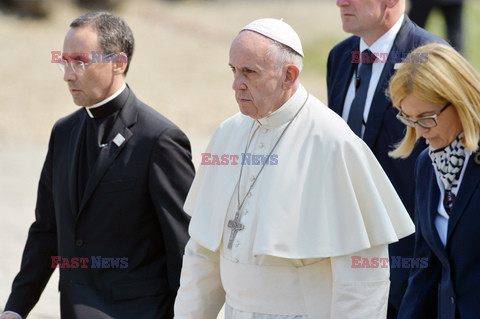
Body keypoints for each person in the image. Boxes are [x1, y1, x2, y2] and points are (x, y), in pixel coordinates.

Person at [173, 18, 415, 319]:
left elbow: (362, 279)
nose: (236, 84)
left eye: (249, 72)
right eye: (233, 71)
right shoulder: (226, 135)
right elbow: (202, 254)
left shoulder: (332, 143)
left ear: (289, 75)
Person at [1, 12, 195, 319]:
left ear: (118, 62)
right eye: (64, 61)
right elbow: (47, 231)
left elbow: (185, 248)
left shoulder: (159, 139)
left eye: (79, 61)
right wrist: (15, 308)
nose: (67, 74)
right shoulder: (62, 133)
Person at [327, 1, 446, 317]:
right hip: (345, 262)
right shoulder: (340, 57)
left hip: (409, 275)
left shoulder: (431, 57)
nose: (340, 2)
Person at [388, 42, 480, 319]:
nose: (418, 131)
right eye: (409, 118)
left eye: (427, 118)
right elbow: (425, 269)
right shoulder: (427, 164)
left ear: (461, 100)